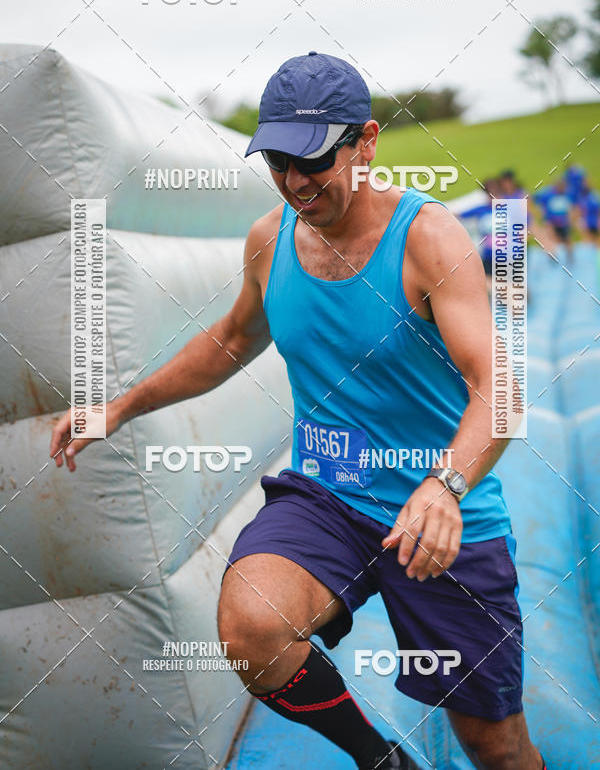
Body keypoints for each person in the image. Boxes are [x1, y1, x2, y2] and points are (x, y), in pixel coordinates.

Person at [50, 52, 545, 770]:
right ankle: (380, 761)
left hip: (439, 507)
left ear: (366, 142)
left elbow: (500, 389)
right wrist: (120, 406)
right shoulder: (269, 239)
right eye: (278, 161)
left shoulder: (429, 239)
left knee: (494, 747)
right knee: (251, 627)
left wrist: (447, 487)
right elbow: (230, 340)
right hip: (326, 499)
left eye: (313, 160)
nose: (295, 182)